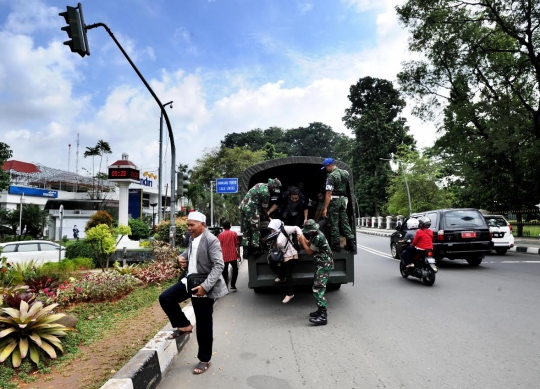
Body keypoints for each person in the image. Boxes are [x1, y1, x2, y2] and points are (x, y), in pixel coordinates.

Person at [158, 211, 228, 375]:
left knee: (203, 323)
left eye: (192, 225)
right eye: (188, 225)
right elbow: (190, 252)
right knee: (166, 297)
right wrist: (180, 258)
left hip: (203, 285)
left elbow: (219, 265)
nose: (188, 228)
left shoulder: (212, 241)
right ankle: (184, 326)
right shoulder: (192, 238)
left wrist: (206, 287)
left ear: (202, 225)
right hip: (189, 280)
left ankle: (205, 359)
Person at [298, 219, 333, 326]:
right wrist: (302, 238)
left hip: (324, 265)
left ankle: (323, 315)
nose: (308, 233)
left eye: (308, 231)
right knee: (317, 286)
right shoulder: (315, 234)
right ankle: (319, 310)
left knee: (318, 288)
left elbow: (309, 251)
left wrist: (302, 241)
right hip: (321, 264)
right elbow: (310, 243)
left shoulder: (318, 237)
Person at [239, 178, 282, 257]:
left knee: (247, 229)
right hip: (251, 208)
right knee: (256, 229)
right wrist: (268, 218)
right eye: (274, 189)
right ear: (272, 186)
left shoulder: (260, 184)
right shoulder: (266, 193)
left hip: (243, 207)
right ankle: (256, 250)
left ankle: (246, 250)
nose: (273, 191)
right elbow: (264, 208)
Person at [321, 158, 356, 251]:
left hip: (334, 201)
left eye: (325, 167)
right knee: (345, 222)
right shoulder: (344, 173)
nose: (325, 169)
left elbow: (328, 193)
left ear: (329, 165)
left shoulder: (331, 176)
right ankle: (351, 243)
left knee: (334, 223)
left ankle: (336, 245)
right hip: (343, 201)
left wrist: (325, 208)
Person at [266, 219, 304, 304]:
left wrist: (300, 236)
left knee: (288, 274)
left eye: (273, 228)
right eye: (271, 229)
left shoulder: (285, 229)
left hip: (291, 255)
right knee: (272, 263)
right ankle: (281, 276)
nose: (272, 230)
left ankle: (289, 294)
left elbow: (296, 228)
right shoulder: (275, 234)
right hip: (283, 256)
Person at [217, 220, 240, 292]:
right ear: (230, 226)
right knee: (235, 270)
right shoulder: (234, 234)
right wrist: (238, 254)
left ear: (223, 227)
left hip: (224, 256)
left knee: (224, 272)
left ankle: (225, 288)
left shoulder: (220, 235)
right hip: (233, 255)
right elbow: (237, 245)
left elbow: (218, 247)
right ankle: (233, 285)